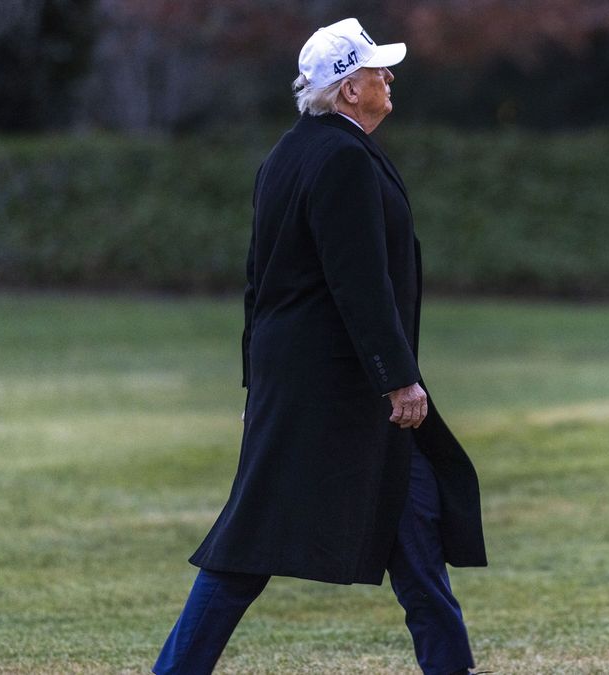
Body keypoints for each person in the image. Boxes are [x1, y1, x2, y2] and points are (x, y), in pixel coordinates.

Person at [153, 18, 486, 675]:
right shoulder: (341, 159)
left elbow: (259, 285)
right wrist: (397, 377)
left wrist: (258, 386)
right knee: (249, 544)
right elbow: (358, 282)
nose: (388, 79)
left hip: (314, 384)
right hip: (338, 389)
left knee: (414, 520)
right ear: (348, 90)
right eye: (376, 72)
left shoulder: (289, 153)